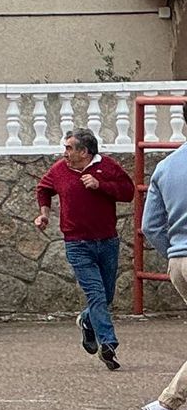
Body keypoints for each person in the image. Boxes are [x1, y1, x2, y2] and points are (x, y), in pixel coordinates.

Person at [35, 128, 135, 371]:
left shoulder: (108, 166)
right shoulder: (59, 169)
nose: (65, 152)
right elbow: (43, 189)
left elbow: (128, 192)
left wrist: (100, 184)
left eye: (69, 148)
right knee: (96, 294)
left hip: (107, 241)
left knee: (106, 295)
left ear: (84, 151)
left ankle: (87, 322)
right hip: (77, 243)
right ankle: (108, 344)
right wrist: (44, 214)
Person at [141, 140, 187, 410]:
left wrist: (175, 254)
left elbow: (150, 226)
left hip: (178, 262)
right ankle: (166, 405)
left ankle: (166, 406)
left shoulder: (166, 166)